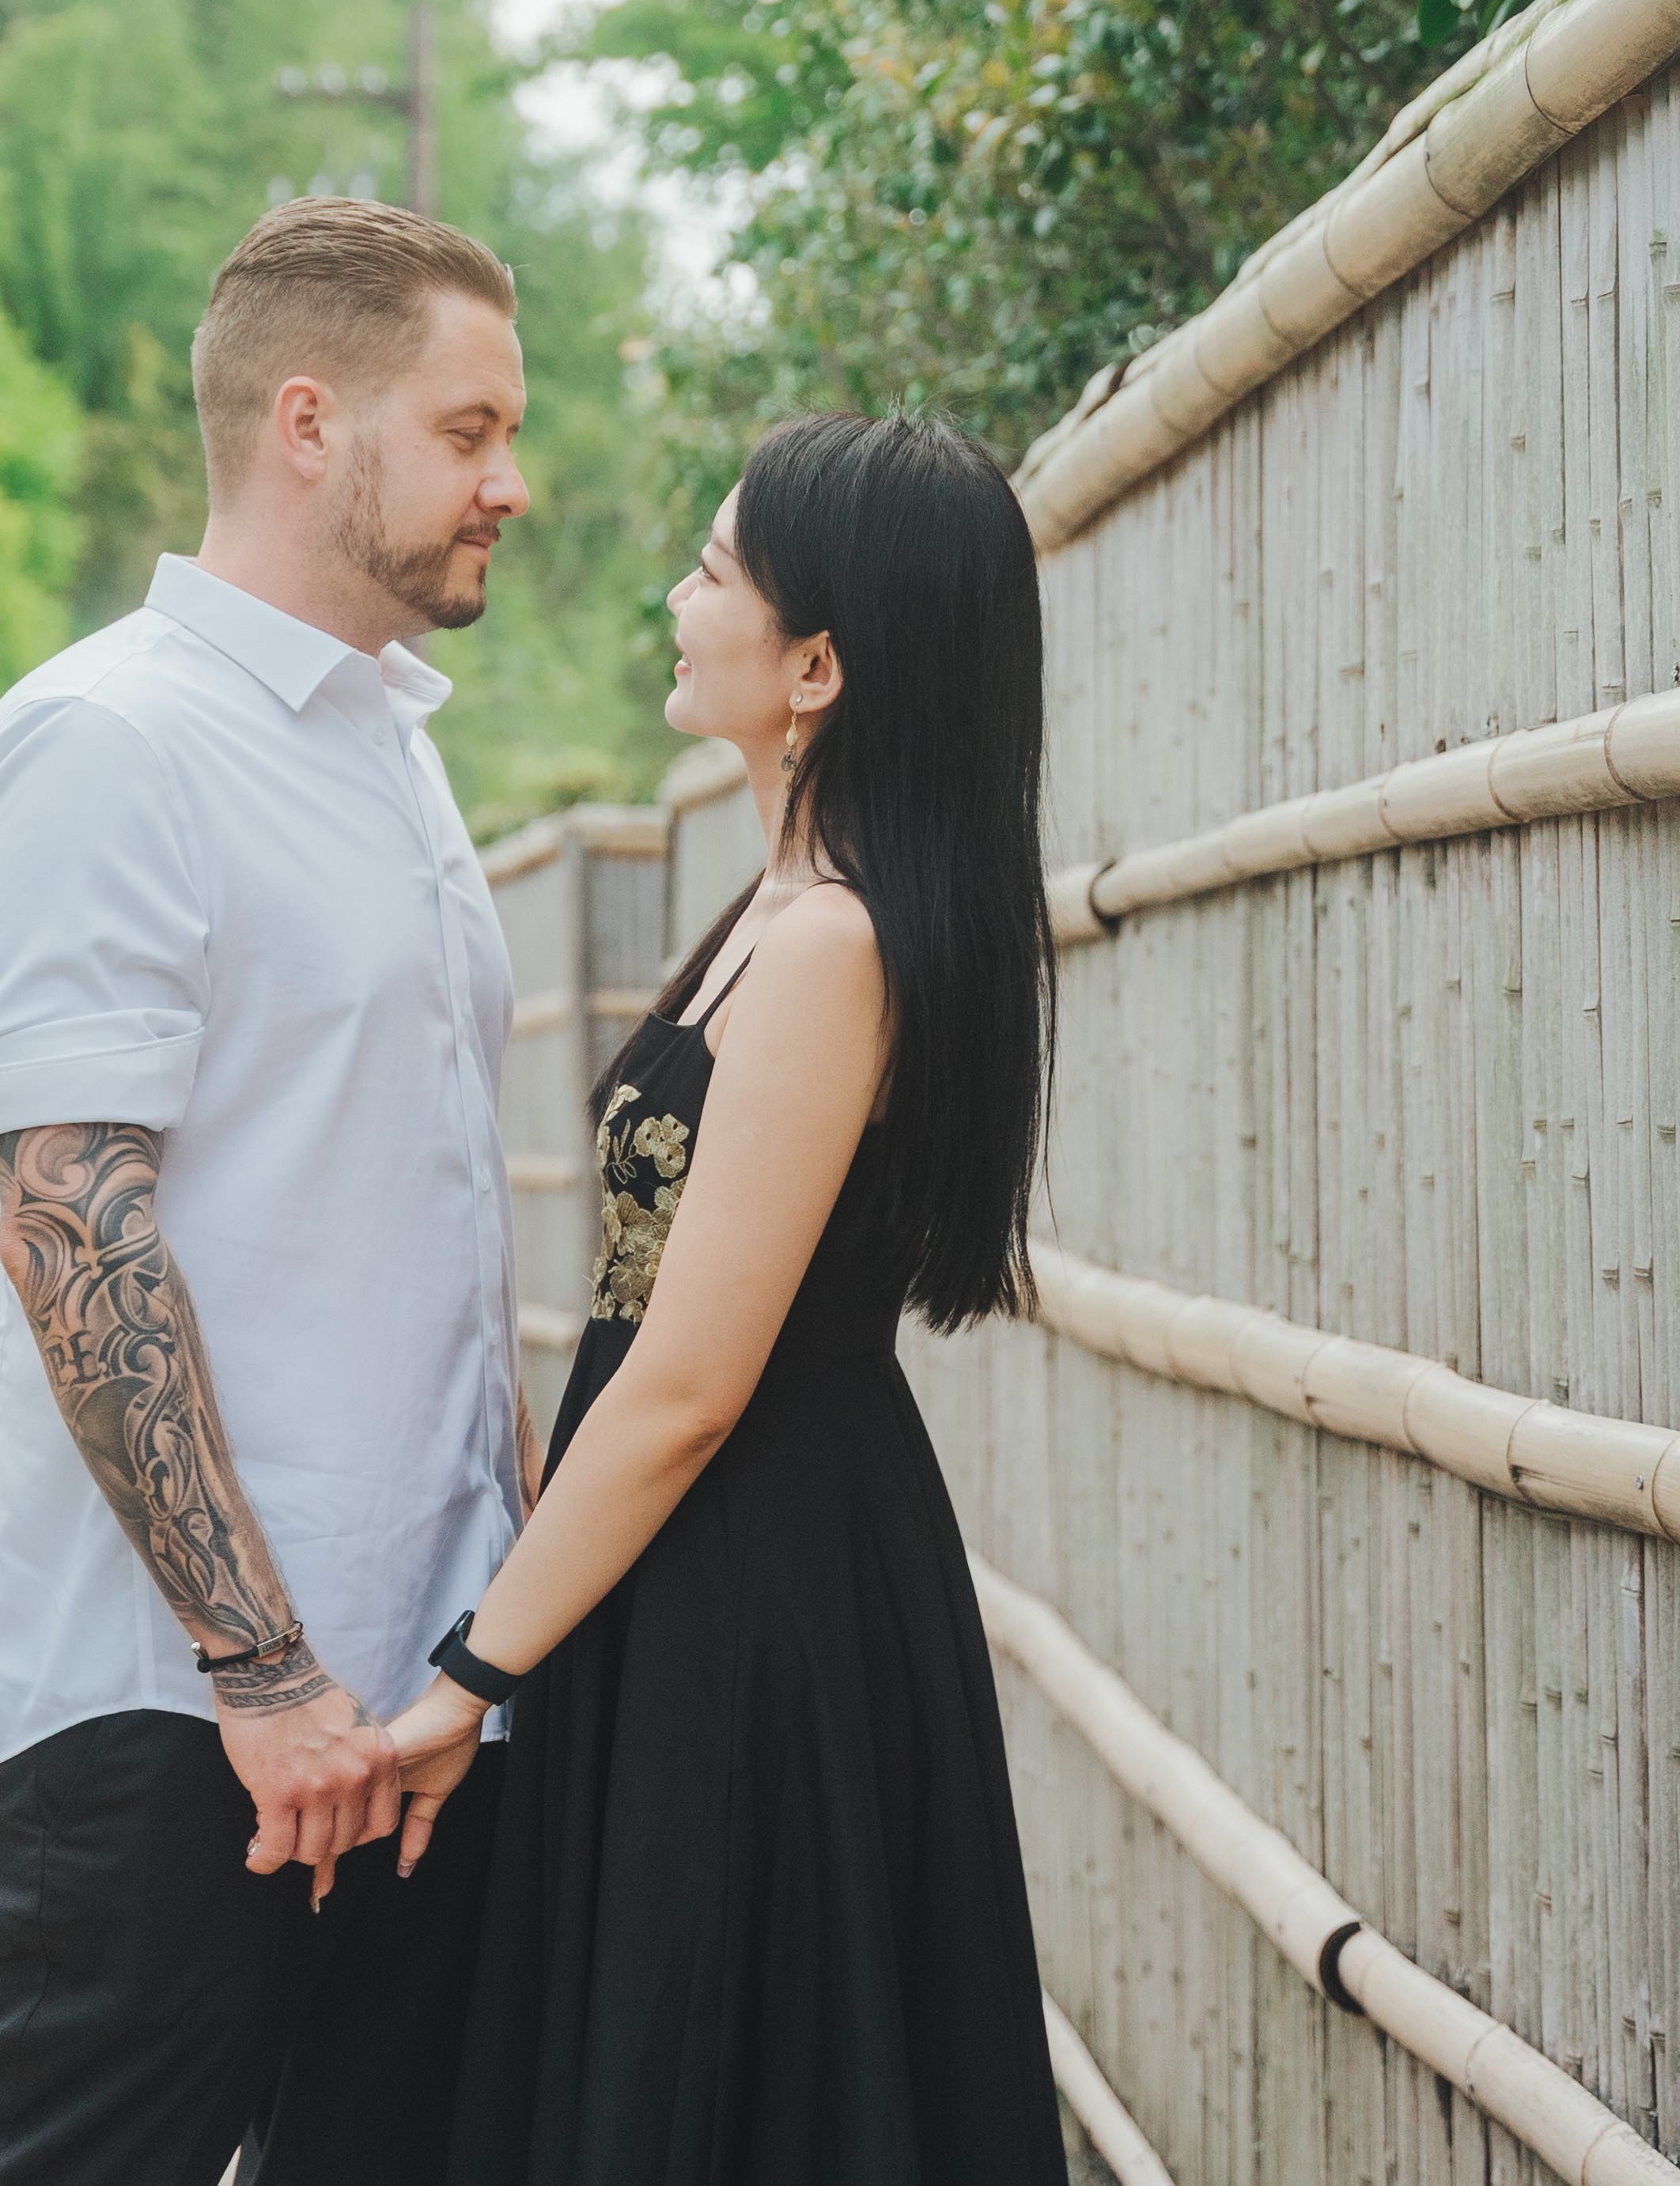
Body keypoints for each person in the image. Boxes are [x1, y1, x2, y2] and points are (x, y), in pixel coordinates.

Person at [0, 198, 537, 2186]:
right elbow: (76, 1229)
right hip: (175, 1728)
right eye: (467, 431)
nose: (509, 482)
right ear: (306, 423)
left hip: (420, 1714)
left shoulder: (395, 757)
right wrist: (263, 1675)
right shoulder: (112, 742)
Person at [385, 412, 1067, 2186]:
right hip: (710, 1557)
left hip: (757, 1581)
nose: (672, 599)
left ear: (815, 661)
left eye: (709, 569)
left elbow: (684, 1377)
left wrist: (468, 1670)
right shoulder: (784, 904)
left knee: (719, 2075)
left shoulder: (834, 939)